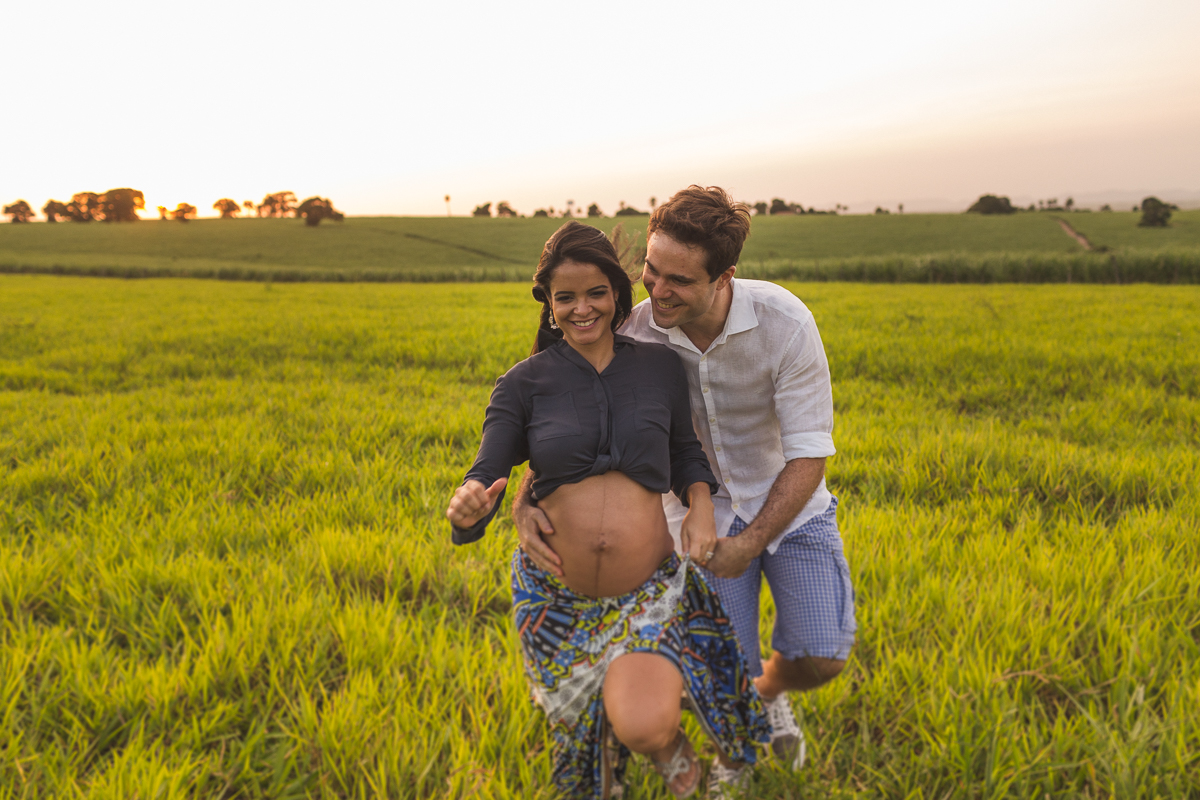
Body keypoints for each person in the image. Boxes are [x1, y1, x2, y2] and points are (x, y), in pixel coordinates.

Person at [515, 187, 857, 796]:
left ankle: (771, 697)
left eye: (678, 280)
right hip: (699, 514)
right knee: (716, 671)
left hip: (790, 506)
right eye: (650, 270)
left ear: (725, 276)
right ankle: (729, 744)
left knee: (824, 655)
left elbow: (810, 453)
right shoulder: (633, 328)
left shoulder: (784, 324)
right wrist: (525, 494)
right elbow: (557, 405)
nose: (656, 289)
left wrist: (750, 543)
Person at [446, 221, 767, 800]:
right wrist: (469, 506)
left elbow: (684, 451)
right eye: (564, 297)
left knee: (646, 725)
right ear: (548, 304)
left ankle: (674, 757)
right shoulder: (523, 384)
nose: (582, 308)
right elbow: (487, 470)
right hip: (556, 603)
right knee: (586, 746)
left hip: (646, 593)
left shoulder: (657, 367)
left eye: (595, 292)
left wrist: (699, 503)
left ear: (618, 294)